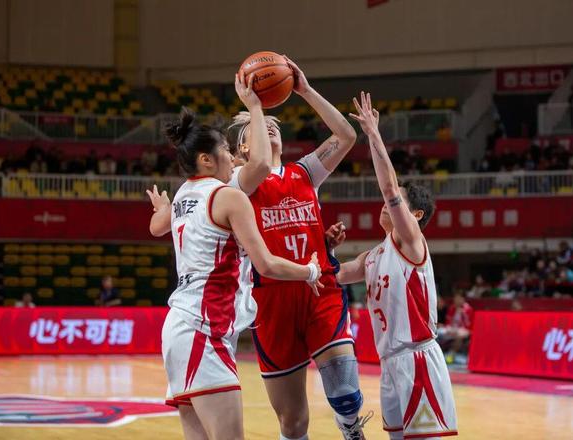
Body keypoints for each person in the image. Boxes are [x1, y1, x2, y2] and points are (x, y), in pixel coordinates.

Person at [145, 74, 323, 440]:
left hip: (182, 325)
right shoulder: (228, 195)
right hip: (203, 327)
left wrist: (162, 209)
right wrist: (309, 271)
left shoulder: (183, 194)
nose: (232, 156)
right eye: (226, 150)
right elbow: (266, 263)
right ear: (206, 160)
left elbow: (156, 227)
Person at [227, 56, 372, 440]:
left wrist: (304, 90)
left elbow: (346, 136)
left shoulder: (304, 171)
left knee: (345, 393)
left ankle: (349, 427)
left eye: (274, 125)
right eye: (260, 127)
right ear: (243, 149)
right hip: (272, 298)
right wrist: (254, 107)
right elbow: (260, 163)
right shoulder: (239, 181)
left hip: (319, 288)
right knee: (293, 422)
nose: (270, 127)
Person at [336, 92, 457, 439]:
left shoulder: (411, 241)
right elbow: (335, 275)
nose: (386, 203)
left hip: (418, 359)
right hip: (389, 363)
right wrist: (320, 252)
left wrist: (373, 134)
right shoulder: (373, 256)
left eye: (398, 202)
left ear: (415, 215)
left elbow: (389, 186)